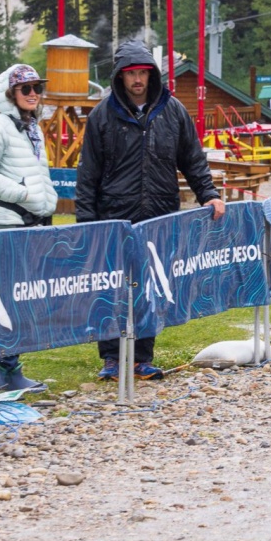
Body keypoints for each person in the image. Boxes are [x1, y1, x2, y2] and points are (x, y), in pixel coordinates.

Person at [76, 40, 225, 381]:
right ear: (119, 77)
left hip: (159, 215)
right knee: (113, 287)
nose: (138, 80)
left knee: (150, 288)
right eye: (131, 74)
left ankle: (142, 357)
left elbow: (192, 159)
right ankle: (112, 358)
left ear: (152, 75)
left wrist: (209, 194)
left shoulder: (173, 111)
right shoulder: (101, 116)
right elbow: (87, 176)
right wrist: (86, 225)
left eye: (143, 72)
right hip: (113, 217)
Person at [0, 64, 58, 392]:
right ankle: (6, 372)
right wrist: (24, 195)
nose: (33, 93)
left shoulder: (30, 128)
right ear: (11, 93)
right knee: (5, 298)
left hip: (26, 222)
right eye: (25, 88)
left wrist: (43, 204)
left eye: (37, 87)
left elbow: (38, 177)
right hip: (3, 222)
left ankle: (9, 370)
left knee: (17, 299)